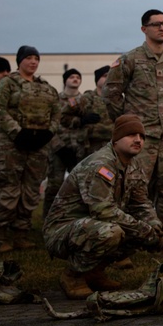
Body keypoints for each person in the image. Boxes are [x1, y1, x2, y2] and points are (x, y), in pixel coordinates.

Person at [103, 10, 163, 259]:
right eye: (156, 24)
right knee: (132, 189)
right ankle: (124, 244)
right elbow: (111, 93)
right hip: (140, 138)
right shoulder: (130, 59)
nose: (162, 28)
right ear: (144, 29)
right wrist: (126, 125)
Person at [43, 115, 163, 299]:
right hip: (62, 230)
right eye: (131, 135)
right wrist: (142, 229)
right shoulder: (100, 164)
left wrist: (153, 225)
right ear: (116, 139)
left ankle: (94, 272)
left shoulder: (133, 165)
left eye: (141, 136)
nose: (138, 140)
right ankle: (73, 276)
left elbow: (140, 203)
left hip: (92, 225)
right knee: (112, 232)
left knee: (141, 231)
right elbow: (103, 210)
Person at [0, 46, 60, 252]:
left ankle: (21, 233)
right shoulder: (8, 83)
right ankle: (1, 235)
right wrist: (17, 132)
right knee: (8, 188)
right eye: (29, 58)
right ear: (19, 61)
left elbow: (57, 113)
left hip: (38, 146)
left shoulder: (46, 87)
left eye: (36, 58)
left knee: (31, 190)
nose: (33, 62)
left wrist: (49, 132)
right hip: (12, 144)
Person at [44, 68, 100, 217]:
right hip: (59, 149)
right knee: (54, 185)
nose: (75, 79)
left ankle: (73, 217)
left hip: (79, 149)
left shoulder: (85, 101)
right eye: (71, 77)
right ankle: (48, 218)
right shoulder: (56, 99)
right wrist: (58, 147)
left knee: (79, 186)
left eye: (78, 77)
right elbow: (51, 125)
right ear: (65, 81)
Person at [84, 65, 113, 154]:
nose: (108, 78)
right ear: (97, 79)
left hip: (112, 143)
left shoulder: (117, 99)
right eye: (105, 76)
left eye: (110, 76)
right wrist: (82, 120)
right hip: (93, 144)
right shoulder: (87, 97)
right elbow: (66, 116)